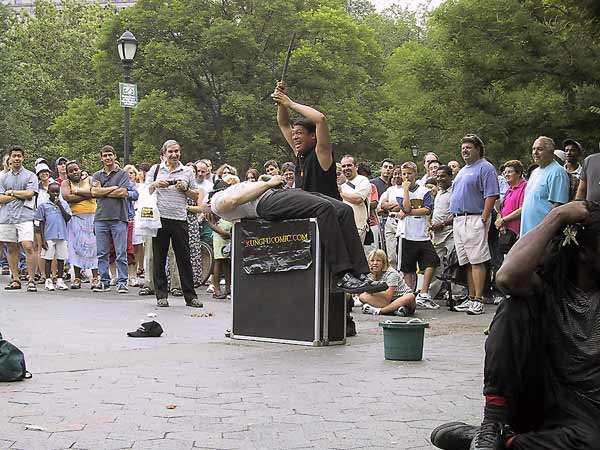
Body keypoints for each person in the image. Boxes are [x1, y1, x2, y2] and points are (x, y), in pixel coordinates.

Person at [431, 201, 600, 450]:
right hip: (534, 393)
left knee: (590, 443)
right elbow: (507, 277)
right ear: (585, 251)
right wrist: (557, 216)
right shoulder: (547, 286)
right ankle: (493, 425)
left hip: (583, 409)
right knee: (514, 307)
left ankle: (503, 442)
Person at [210, 176, 388, 295]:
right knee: (323, 209)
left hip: (280, 192)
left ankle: (361, 274)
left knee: (344, 210)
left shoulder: (239, 186)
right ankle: (342, 275)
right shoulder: (216, 202)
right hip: (267, 202)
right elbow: (233, 201)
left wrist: (267, 183)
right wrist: (268, 183)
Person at [147, 139, 202, 308]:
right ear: (164, 154)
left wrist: (185, 189)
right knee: (159, 258)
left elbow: (196, 197)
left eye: (176, 151)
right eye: (170, 152)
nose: (174, 155)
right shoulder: (155, 170)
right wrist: (156, 184)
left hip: (179, 219)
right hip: (160, 219)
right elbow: (145, 190)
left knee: (184, 259)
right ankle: (161, 295)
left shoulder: (187, 171)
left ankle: (190, 296)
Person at [450, 134, 499, 315]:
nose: (465, 150)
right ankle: (470, 298)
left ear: (478, 149)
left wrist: (484, 218)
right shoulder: (463, 170)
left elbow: (491, 194)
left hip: (475, 217)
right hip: (459, 219)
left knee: (478, 260)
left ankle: (478, 300)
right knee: (467, 262)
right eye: (463, 147)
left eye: (469, 147)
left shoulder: (485, 168)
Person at [273, 83, 341, 200]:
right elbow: (284, 124)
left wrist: (290, 104)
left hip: (329, 214)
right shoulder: (300, 155)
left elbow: (320, 119)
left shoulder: (321, 153)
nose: (294, 137)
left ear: (313, 136)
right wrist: (281, 100)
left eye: (299, 133)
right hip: (308, 215)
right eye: (293, 134)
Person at [396, 162, 440, 309]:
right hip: (406, 234)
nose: (406, 176)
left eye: (409, 173)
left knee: (431, 261)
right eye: (404, 174)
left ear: (415, 174)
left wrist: (408, 213)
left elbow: (427, 209)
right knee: (407, 267)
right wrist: (406, 191)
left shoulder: (424, 191)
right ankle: (409, 296)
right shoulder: (400, 191)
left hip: (422, 234)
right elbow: (406, 207)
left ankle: (424, 293)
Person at [90, 146, 130, 293]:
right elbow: (94, 192)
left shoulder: (123, 174)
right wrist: (113, 188)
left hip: (119, 217)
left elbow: (123, 192)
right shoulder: (97, 175)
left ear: (115, 156)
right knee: (102, 252)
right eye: (105, 155)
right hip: (100, 218)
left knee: (121, 252)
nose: (107, 158)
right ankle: (104, 281)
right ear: (101, 158)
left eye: (110, 155)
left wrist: (103, 191)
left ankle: (122, 281)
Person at [0, 146, 39, 292]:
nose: (16, 158)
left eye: (19, 156)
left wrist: (11, 192)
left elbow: (29, 194)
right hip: (7, 217)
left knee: (28, 246)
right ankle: (15, 279)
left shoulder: (30, 176)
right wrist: (16, 195)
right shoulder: (3, 178)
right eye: (14, 156)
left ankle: (31, 279)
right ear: (9, 158)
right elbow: (0, 198)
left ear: (23, 157)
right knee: (11, 248)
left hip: (25, 216)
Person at [520, 137, 569, 236]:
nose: (535, 152)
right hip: (527, 233)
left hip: (542, 235)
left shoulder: (557, 172)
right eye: (534, 149)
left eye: (540, 149)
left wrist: (543, 231)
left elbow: (558, 206)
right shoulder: (535, 171)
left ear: (551, 152)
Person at [61, 161, 99, 289]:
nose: (74, 172)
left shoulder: (90, 179)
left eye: (76, 169)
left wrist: (76, 191)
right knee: (76, 247)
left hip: (93, 216)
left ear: (80, 169)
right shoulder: (66, 183)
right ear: (67, 174)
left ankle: (95, 277)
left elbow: (94, 193)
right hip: (76, 217)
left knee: (94, 247)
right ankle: (77, 277)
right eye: (71, 171)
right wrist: (85, 194)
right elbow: (67, 197)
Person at [35, 182, 71, 291]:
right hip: (49, 235)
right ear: (48, 192)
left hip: (62, 235)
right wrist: (43, 239)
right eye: (53, 192)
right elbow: (41, 222)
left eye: (57, 192)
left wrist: (60, 205)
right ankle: (48, 280)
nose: (55, 194)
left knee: (61, 258)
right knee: (48, 258)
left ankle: (60, 279)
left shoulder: (64, 204)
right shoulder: (43, 206)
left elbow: (68, 218)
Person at [359, 249, 416, 316]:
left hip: (399, 299)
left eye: (378, 261)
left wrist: (372, 290)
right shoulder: (369, 274)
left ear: (383, 262)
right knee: (362, 296)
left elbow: (387, 296)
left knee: (410, 296)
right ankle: (394, 310)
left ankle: (381, 311)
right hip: (384, 301)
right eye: (372, 261)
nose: (375, 263)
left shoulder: (391, 273)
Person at [428, 165, 455, 300]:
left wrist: (443, 223)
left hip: (451, 232)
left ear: (450, 176)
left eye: (443, 176)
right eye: (438, 176)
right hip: (437, 234)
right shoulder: (438, 192)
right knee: (435, 263)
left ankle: (457, 294)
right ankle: (431, 294)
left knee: (454, 263)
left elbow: (457, 213)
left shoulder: (455, 191)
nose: (439, 179)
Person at [495, 160, 527, 254]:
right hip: (506, 232)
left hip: (517, 233)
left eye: (510, 172)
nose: (506, 175)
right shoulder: (509, 189)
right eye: (505, 173)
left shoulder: (525, 187)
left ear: (518, 173)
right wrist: (500, 222)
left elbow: (523, 209)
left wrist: (504, 220)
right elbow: (501, 209)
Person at [339, 155, 371, 244]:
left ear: (356, 167)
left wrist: (340, 193)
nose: (346, 168)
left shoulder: (363, 181)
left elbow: (358, 199)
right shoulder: (342, 186)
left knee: (356, 256)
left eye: (349, 165)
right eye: (343, 166)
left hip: (358, 227)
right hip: (343, 227)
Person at [377, 166, 402, 268]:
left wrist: (390, 205)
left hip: (401, 221)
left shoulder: (407, 189)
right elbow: (381, 206)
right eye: (395, 174)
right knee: (391, 256)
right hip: (389, 221)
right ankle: (394, 275)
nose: (397, 176)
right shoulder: (390, 190)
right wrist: (395, 205)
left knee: (402, 253)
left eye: (399, 173)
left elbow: (403, 206)